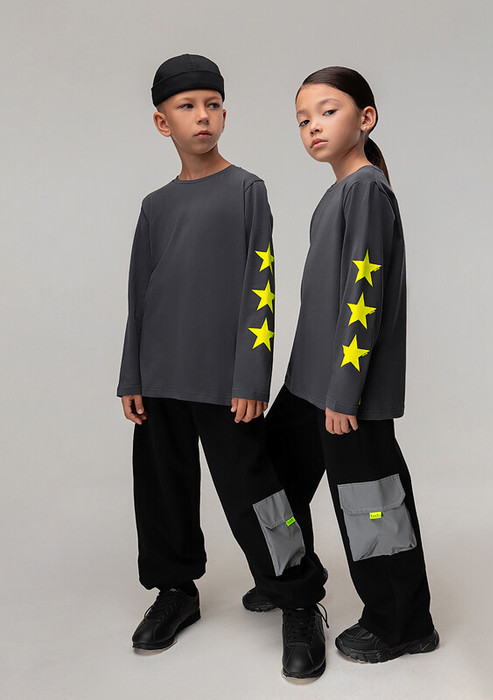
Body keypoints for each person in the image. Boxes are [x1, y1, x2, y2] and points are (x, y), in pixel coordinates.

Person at [116, 53, 327, 681]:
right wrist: (131, 376)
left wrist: (250, 377)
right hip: (159, 375)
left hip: (224, 380)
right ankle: (175, 591)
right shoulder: (155, 206)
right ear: (163, 123)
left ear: (225, 115)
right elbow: (138, 294)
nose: (202, 116)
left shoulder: (246, 190)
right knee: (162, 489)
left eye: (212, 105)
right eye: (187, 107)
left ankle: (298, 597)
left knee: (256, 492)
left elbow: (260, 288)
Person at [242, 66, 440, 665]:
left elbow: (364, 295)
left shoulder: (368, 190)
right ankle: (291, 578)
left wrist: (344, 394)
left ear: (365, 118)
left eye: (328, 111)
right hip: (309, 383)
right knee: (271, 472)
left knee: (372, 504)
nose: (313, 126)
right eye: (303, 119)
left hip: (346, 392)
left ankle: (402, 623)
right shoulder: (336, 194)